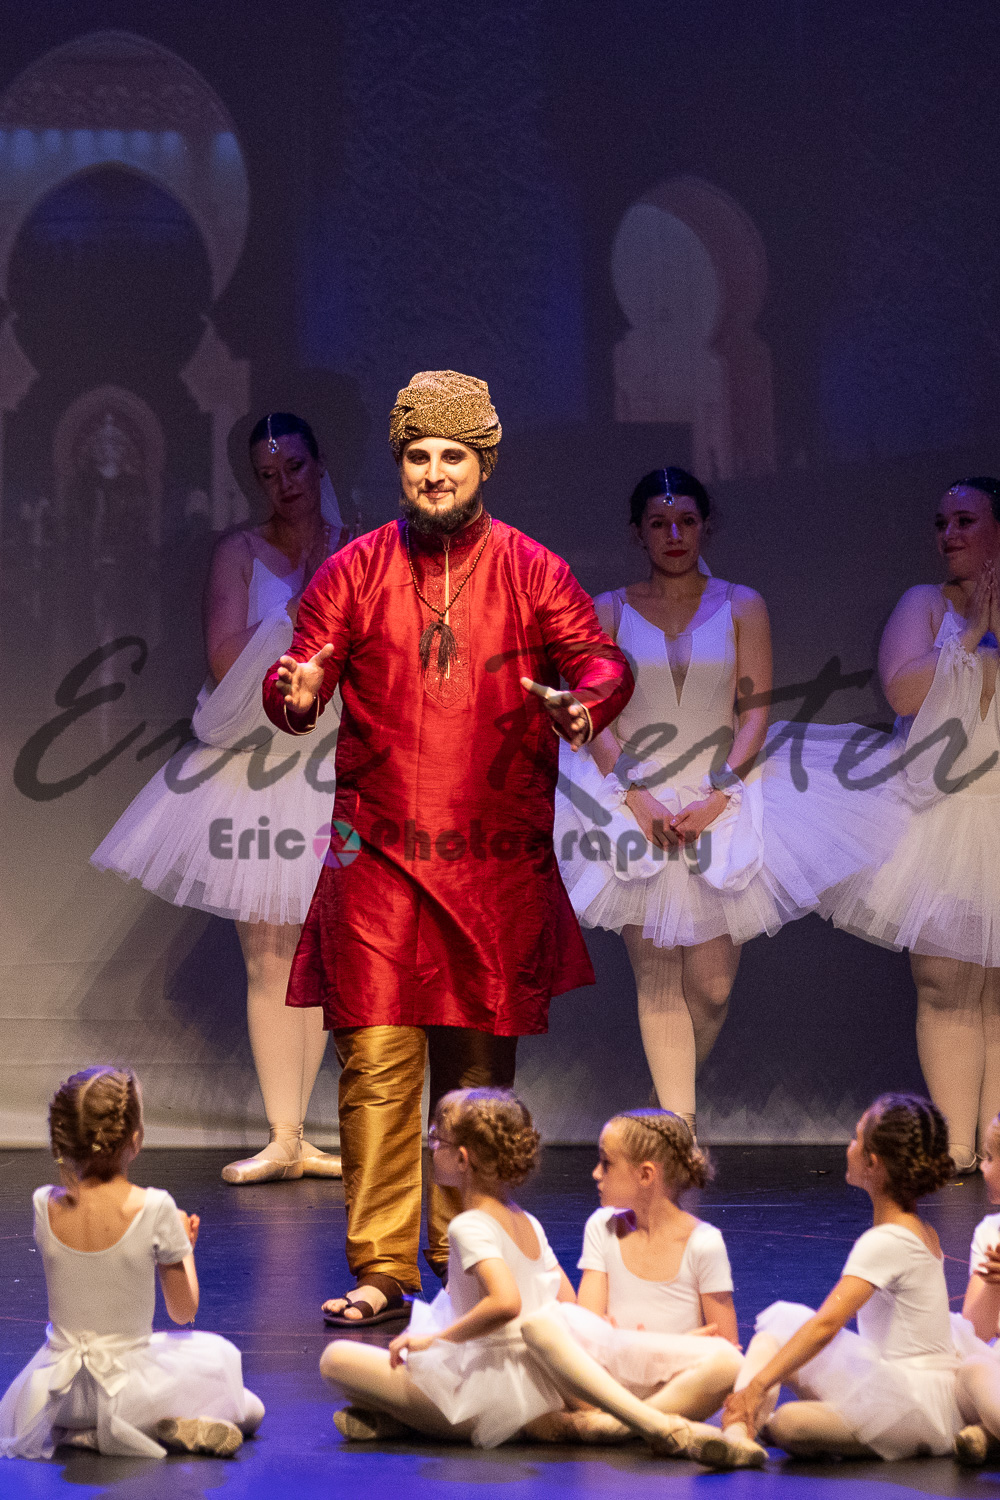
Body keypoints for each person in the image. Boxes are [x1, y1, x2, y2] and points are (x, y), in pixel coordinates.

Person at [262, 370, 634, 1325]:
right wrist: (292, 692)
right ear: (401, 463)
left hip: (491, 861)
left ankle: (466, 1258)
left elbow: (599, 659)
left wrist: (586, 701)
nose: (434, 473)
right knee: (376, 1066)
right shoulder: (353, 570)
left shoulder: (533, 569)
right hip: (377, 857)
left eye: (453, 457)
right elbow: (301, 671)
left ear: (484, 466)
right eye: (419, 456)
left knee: (474, 1085)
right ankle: (384, 1269)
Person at [554, 467, 897, 1134]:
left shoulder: (742, 604)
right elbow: (594, 714)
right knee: (657, 977)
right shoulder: (609, 609)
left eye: (686, 521)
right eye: (659, 523)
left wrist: (720, 794)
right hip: (630, 797)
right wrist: (635, 796)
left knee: (710, 989)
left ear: (706, 526)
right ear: (637, 532)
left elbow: (753, 711)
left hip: (724, 791)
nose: (674, 534)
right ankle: (676, 1126)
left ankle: (669, 1096)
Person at [92, 413, 348, 1184]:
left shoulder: (357, 545)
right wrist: (302, 607)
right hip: (253, 764)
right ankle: (283, 1134)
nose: (283, 485)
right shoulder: (239, 551)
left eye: (294, 468)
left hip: (331, 767)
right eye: (268, 475)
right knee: (267, 951)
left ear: (318, 464)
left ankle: (304, 1134)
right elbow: (226, 656)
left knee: (315, 954)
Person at [319, 1088, 752, 1464]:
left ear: (463, 1158)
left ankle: (421, 1423)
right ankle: (397, 1423)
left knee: (335, 1359)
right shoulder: (527, 1222)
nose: (432, 1148)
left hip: (489, 1390)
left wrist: (435, 1339)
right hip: (546, 1383)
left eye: (437, 1140)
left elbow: (506, 1303)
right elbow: (571, 1307)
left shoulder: (469, 1225)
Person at [825, 479, 1000, 1173]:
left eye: (966, 520)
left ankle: (995, 1145)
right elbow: (902, 691)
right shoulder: (925, 604)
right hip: (943, 813)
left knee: (997, 988)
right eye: (941, 522)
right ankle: (956, 1147)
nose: (949, 534)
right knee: (946, 979)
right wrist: (973, 632)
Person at [0, 1066, 264, 1460]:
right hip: (127, 1389)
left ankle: (83, 1434)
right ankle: (143, 1427)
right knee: (248, 1405)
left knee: (88, 1405)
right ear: (135, 1139)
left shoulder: (44, 1204)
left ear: (63, 1139)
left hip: (58, 1392)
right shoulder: (155, 1207)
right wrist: (184, 1247)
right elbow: (183, 1311)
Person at [721, 1093, 975, 1460]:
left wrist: (758, 1385)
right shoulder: (918, 1229)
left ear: (873, 1163)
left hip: (914, 1404)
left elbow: (827, 1324)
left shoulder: (887, 1240)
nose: (849, 1147)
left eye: (856, 1138)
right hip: (907, 1390)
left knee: (790, 1423)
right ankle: (737, 1433)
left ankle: (741, 1424)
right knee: (781, 1325)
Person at [522, 1108, 750, 1449]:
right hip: (607, 1380)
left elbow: (726, 1344)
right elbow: (588, 1326)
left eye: (606, 1163)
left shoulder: (704, 1242)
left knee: (729, 1364)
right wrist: (648, 1343)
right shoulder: (601, 1226)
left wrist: (657, 1347)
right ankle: (640, 1421)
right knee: (544, 1325)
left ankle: (618, 1424)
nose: (596, 1173)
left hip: (671, 1384)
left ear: (645, 1174)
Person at [950, 1110, 1000, 1463]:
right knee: (969, 1370)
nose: (982, 1167)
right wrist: (995, 1284)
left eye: (991, 1158)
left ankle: (988, 1433)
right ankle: (990, 1433)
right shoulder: (990, 1232)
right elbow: (976, 1332)